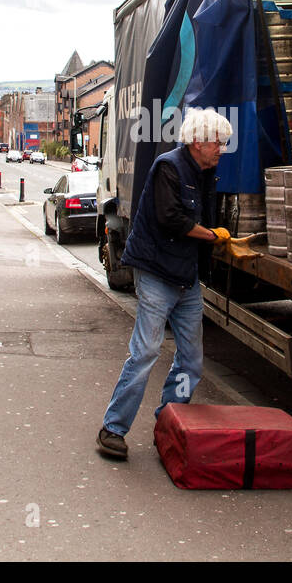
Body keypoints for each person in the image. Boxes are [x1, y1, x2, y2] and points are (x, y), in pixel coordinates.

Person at [96, 107, 233, 460]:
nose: (222, 149)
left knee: (191, 362)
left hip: (186, 276)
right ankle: (113, 429)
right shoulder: (169, 167)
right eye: (218, 143)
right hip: (157, 273)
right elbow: (172, 220)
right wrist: (213, 235)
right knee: (146, 353)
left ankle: (168, 424)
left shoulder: (206, 172)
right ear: (199, 142)